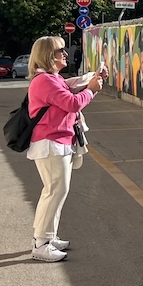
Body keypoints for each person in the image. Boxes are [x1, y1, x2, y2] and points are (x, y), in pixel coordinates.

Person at [26, 36, 105, 262]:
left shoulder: (53, 79)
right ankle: (41, 243)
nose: (65, 54)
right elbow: (72, 103)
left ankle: (46, 237)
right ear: (49, 55)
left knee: (55, 191)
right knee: (55, 191)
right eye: (61, 50)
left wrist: (93, 85)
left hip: (57, 141)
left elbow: (75, 90)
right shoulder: (46, 81)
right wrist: (91, 90)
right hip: (51, 143)